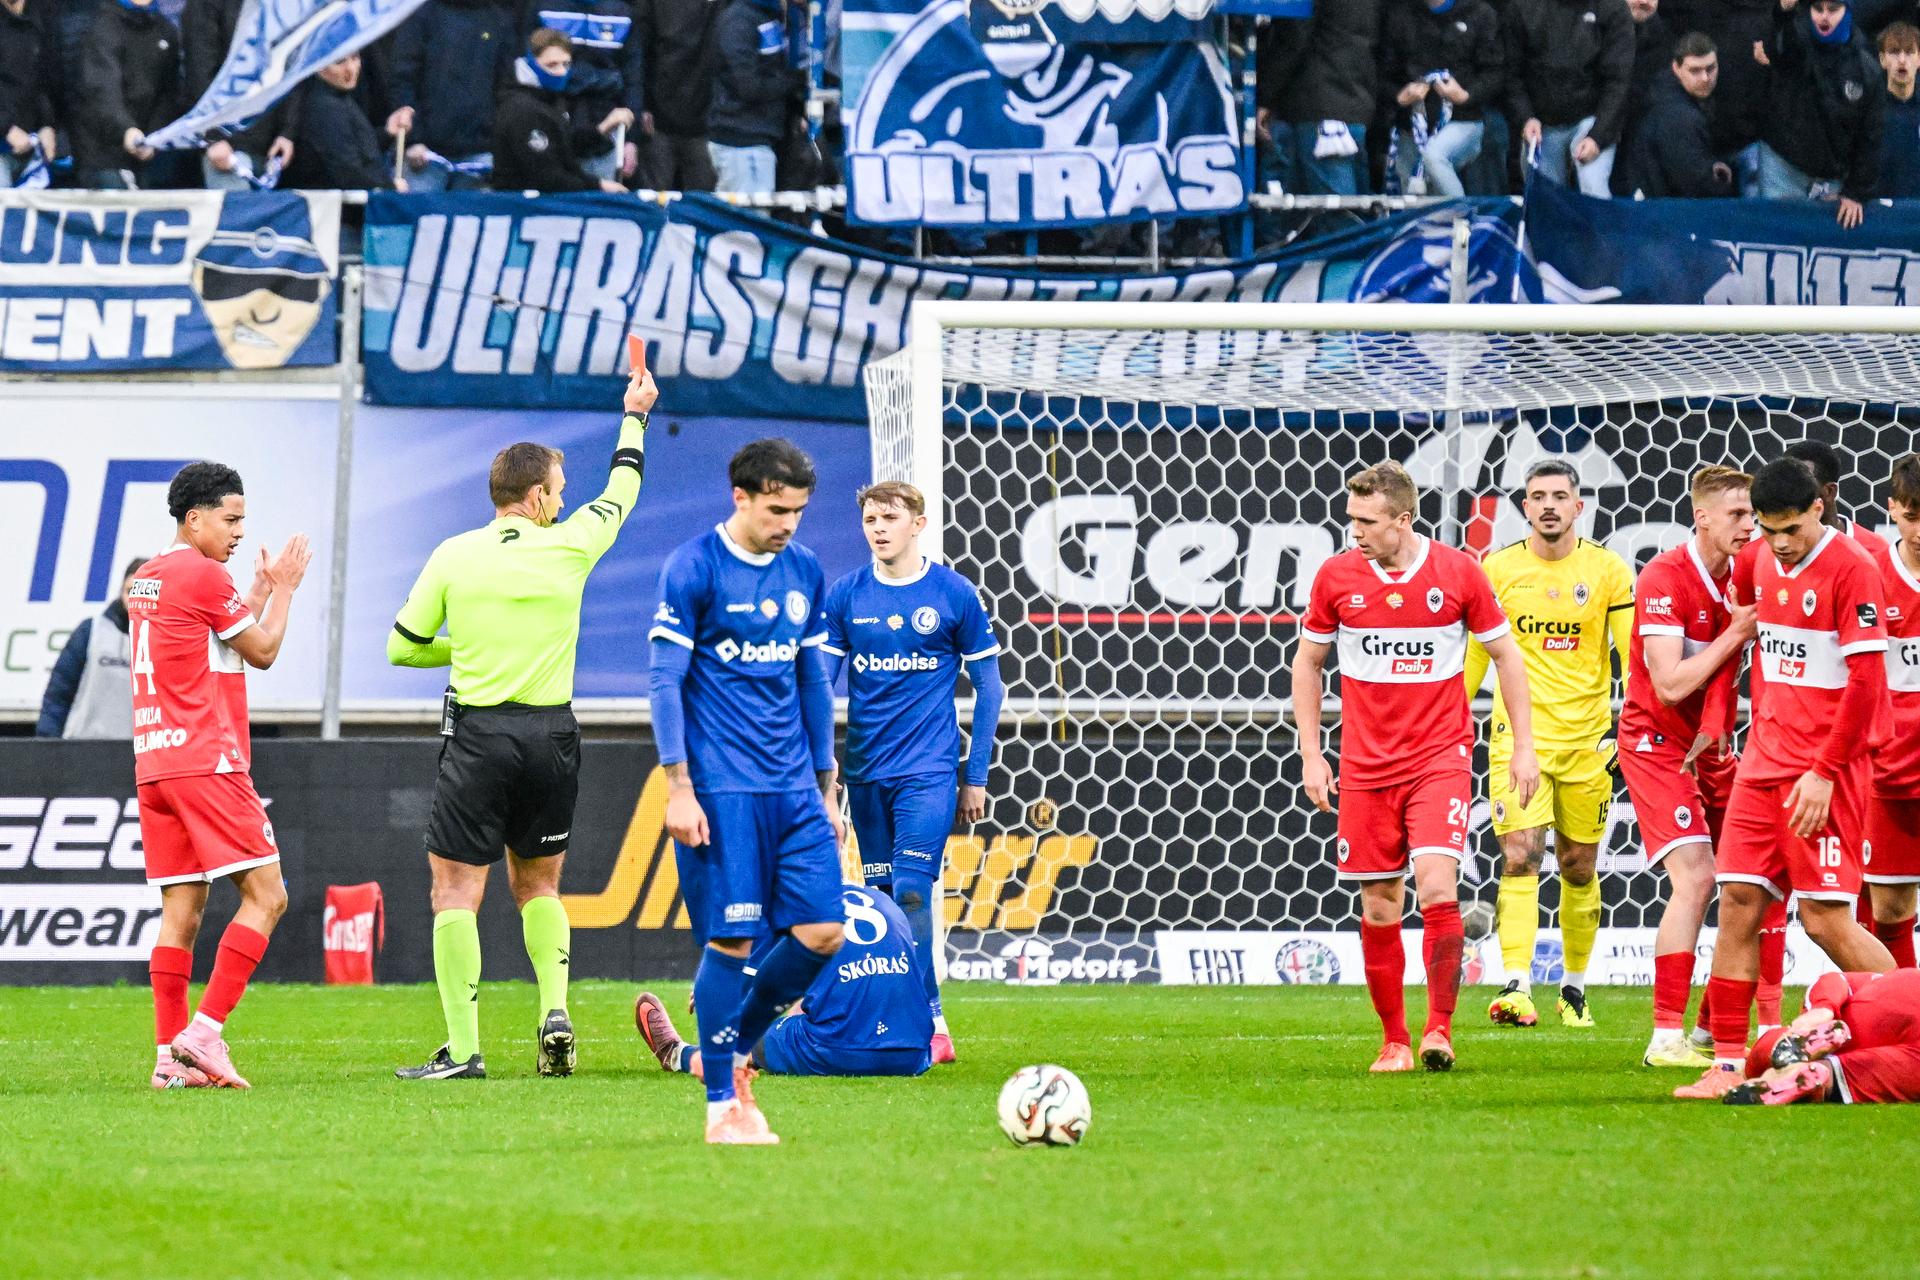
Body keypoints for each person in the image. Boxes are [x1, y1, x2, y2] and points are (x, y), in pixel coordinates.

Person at [387, 366, 656, 1081]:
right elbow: (623, 489)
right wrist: (634, 416)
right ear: (536, 497)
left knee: (455, 893)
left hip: (479, 737)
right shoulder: (571, 544)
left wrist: (470, 646)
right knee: (539, 888)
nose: (564, 502)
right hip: (553, 736)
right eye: (559, 492)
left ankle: (464, 1051)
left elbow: (402, 647)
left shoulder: (454, 554)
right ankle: (554, 1014)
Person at [1293, 462, 1539, 1073]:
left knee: (1436, 887)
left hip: (1439, 757)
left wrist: (1524, 746)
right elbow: (1308, 662)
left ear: (1403, 520)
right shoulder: (1336, 577)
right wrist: (1312, 753)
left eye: (1366, 520)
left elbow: (1507, 657)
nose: (1354, 530)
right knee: (1380, 904)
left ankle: (1438, 1031)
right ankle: (1395, 1040)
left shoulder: (1458, 572)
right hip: (1365, 765)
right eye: (1351, 519)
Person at [1676, 458, 1897, 1099]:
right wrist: (1717, 718)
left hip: (1825, 771)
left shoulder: (1853, 569)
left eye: (1791, 529)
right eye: (1768, 529)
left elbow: (1866, 682)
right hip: (1762, 765)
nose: (1779, 543)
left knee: (1826, 919)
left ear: (1819, 509)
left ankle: (1909, 1024)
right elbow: (1740, 637)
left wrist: (1824, 773)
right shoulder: (1755, 561)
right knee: (1739, 904)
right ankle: (1725, 1065)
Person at [648, 438, 846, 1143]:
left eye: (798, 512)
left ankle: (728, 1054)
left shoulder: (805, 571)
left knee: (824, 931)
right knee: (732, 940)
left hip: (794, 788)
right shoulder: (694, 567)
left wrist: (826, 789)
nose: (788, 524)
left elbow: (812, 682)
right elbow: (665, 680)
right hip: (722, 788)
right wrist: (678, 786)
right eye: (776, 510)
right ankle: (720, 1108)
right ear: (741, 496)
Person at [133, 464, 312, 1090]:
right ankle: (204, 1033)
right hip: (206, 758)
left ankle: (168, 1059)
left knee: (182, 910)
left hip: (155, 762)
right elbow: (261, 651)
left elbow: (212, 640)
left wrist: (255, 589)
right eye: (230, 519)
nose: (238, 532)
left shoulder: (149, 577)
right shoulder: (205, 575)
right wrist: (284, 589)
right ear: (194, 518)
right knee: (268, 896)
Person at [819, 481, 1004, 1066]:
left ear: (918, 524)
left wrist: (975, 775)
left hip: (929, 771)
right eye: (870, 519)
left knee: (911, 891)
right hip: (866, 771)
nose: (878, 528)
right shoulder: (847, 595)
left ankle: (932, 1018)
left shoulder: (953, 594)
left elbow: (991, 686)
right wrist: (822, 769)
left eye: (890, 518)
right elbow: (819, 685)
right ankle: (893, 1016)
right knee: (879, 902)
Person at [1466, 460, 1634, 1032]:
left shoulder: (1607, 570)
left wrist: (1631, 726)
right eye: (1537, 496)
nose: (1548, 506)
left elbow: (1631, 659)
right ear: (1525, 507)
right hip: (1519, 739)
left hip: (1588, 742)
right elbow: (1478, 653)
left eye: (1559, 496)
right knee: (1520, 854)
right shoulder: (1498, 569)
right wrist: (1451, 715)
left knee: (1578, 866)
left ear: (1578, 506)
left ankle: (1574, 990)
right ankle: (1516, 986)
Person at [1615, 467, 1757, 1067]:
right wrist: (1736, 632)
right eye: (1737, 515)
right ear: (1702, 517)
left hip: (1716, 748)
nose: (1749, 526)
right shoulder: (1664, 576)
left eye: (1753, 515)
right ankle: (1664, 1037)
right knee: (1697, 878)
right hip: (1656, 742)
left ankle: (1706, 1030)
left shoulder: (1749, 575)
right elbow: (1670, 685)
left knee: (1753, 883)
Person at [635, 885, 935, 1080]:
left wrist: (716, 989)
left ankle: (678, 1054)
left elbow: (750, 990)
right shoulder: (883, 901)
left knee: (746, 1040)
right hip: (915, 1052)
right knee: (817, 986)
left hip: (839, 1050)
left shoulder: (796, 907)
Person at [1752, 0, 1884, 227]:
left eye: (1833, 10)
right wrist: (1783, 13)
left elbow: (1870, 136)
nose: (1824, 16)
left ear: (1847, 12)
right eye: (1818, 9)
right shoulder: (1796, 39)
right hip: (1782, 166)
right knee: (1777, 238)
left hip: (1832, 175)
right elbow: (1775, 50)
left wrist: (1856, 191)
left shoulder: (1866, 68)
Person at [1863, 453, 1920, 967]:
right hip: (1892, 770)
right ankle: (1907, 1010)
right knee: (1891, 910)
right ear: (1893, 509)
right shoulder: (1872, 576)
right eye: (1912, 516)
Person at [1726, 968, 1920, 1103]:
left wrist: (1822, 1008)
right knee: (1835, 1074)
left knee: (1768, 1048)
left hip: (1893, 993)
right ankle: (1812, 1076)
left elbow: (1835, 979)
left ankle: (1793, 1057)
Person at [1503, 0, 1636, 196]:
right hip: (1543, 122)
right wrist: (1526, 118)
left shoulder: (1612, 7)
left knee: (1593, 186)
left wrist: (1597, 137)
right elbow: (1511, 74)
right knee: (1545, 197)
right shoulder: (1522, 7)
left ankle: (1599, 218)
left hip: (1592, 118)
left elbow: (1619, 81)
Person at [1377, 0, 1505, 199]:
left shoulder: (1479, 12)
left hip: (1463, 121)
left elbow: (1495, 72)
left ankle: (1462, 214)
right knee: (1412, 206)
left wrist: (1466, 95)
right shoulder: (1399, 15)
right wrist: (1398, 96)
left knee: (1434, 156)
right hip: (1411, 127)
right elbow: (1382, 75)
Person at [387, 0, 516, 193]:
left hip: (479, 154)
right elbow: (403, 79)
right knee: (416, 212)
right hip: (425, 153)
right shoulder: (421, 14)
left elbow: (506, 88)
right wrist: (413, 140)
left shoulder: (499, 19)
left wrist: (495, 145)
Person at [518, 0, 644, 184]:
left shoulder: (622, 13)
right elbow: (528, 69)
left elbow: (633, 80)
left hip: (606, 139)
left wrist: (631, 140)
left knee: (602, 200)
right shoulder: (542, 6)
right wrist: (608, 80)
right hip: (551, 130)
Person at [492, 28, 627, 192]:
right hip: (523, 202)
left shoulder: (551, 100)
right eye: (552, 65)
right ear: (531, 64)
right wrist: (597, 186)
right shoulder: (522, 109)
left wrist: (602, 129)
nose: (561, 72)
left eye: (566, 64)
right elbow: (545, 176)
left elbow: (564, 148)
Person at [181, 0, 296, 191]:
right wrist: (213, 136)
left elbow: (291, 66)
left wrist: (287, 132)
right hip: (228, 148)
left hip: (273, 151)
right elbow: (199, 73)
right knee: (236, 208)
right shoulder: (206, 5)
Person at [73, 0, 183, 189]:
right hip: (103, 153)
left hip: (148, 149)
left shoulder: (166, 30)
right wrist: (126, 129)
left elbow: (168, 94)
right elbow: (102, 90)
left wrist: (154, 137)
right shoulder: (101, 26)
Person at [1614, 32, 1738, 196]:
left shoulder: (1662, 94)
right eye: (1695, 70)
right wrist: (1723, 181)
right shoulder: (1678, 116)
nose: (1705, 78)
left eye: (1711, 68)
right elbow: (1696, 182)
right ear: (1676, 68)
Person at [36, 558, 146, 740]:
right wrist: (47, 746)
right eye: (130, 591)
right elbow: (58, 694)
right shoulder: (92, 631)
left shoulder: (169, 640)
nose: (135, 599)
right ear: (121, 591)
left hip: (139, 752)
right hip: (81, 748)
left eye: (143, 593)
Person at [707, 0, 805, 194]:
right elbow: (748, 86)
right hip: (740, 141)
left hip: (758, 138)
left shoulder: (768, 15)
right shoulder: (739, 20)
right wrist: (795, 81)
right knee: (749, 213)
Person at [285, 54, 403, 191]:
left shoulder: (341, 98)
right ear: (320, 66)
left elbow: (357, 147)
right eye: (339, 62)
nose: (351, 68)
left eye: (355, 58)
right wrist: (389, 186)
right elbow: (347, 171)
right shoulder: (326, 107)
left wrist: (387, 133)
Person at [633, 0, 717, 191]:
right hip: (657, 123)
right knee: (654, 202)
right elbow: (638, 53)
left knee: (703, 204)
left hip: (705, 122)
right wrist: (642, 106)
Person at [0, 0, 58, 189]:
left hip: (30, 150)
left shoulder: (39, 16)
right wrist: (5, 127)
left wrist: (47, 125)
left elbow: (44, 81)